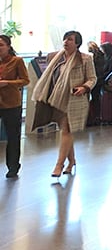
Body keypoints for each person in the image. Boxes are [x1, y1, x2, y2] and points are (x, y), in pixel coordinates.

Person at [32, 30, 97, 178]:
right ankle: (71, 161)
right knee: (66, 131)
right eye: (65, 39)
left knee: (66, 130)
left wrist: (84, 87)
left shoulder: (85, 59)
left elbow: (92, 78)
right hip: (57, 99)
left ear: (77, 43)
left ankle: (59, 165)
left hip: (75, 100)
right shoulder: (55, 57)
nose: (66, 42)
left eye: (70, 40)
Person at [0, 35, 29, 178]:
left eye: (1, 45)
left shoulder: (17, 61)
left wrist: (8, 83)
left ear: (8, 46)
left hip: (11, 103)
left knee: (12, 136)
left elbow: (25, 80)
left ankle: (13, 166)